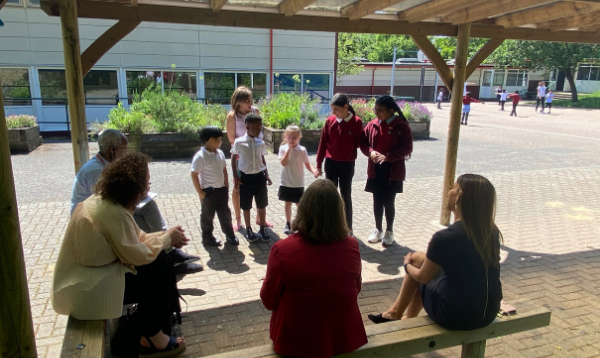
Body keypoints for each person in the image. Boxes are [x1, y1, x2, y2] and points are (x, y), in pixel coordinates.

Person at [53, 153, 189, 357]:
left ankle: (152, 334)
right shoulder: (113, 214)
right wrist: (167, 239)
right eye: (147, 182)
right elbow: (136, 255)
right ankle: (152, 337)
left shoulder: (104, 202)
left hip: (90, 279)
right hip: (85, 291)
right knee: (157, 272)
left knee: (159, 262)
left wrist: (166, 236)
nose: (148, 187)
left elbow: (137, 239)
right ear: (134, 186)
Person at [368, 174, 503, 333]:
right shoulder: (491, 231)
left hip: (455, 315)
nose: (448, 192)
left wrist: (406, 264)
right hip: (488, 310)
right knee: (420, 258)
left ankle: (397, 315)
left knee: (415, 263)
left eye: (452, 188)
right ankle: (398, 315)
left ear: (459, 197)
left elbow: (423, 277)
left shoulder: (445, 237)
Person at [260, 180, 367, 358]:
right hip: (342, 337)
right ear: (339, 211)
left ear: (303, 209)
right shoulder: (352, 245)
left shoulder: (282, 250)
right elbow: (355, 289)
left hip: (296, 342)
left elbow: (268, 300)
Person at [71, 129, 201, 275]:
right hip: (93, 225)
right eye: (124, 149)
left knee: (148, 206)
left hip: (101, 216)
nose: (125, 154)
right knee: (144, 223)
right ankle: (166, 256)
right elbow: (114, 204)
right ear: (112, 150)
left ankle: (168, 252)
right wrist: (166, 238)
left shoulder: (106, 166)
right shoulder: (97, 171)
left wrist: (167, 237)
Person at [360, 96, 413, 246]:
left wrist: (389, 157)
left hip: (392, 171)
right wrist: (370, 152)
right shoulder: (372, 125)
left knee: (388, 202)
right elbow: (363, 143)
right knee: (377, 201)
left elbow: (407, 148)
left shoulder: (401, 126)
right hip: (375, 170)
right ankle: (378, 229)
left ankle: (389, 231)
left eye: (380, 110)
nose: (377, 113)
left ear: (391, 111)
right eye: (375, 110)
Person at [226, 86, 273, 231]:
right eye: (247, 101)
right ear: (238, 102)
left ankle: (260, 218)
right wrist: (246, 146)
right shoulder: (232, 116)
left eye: (251, 100)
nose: (250, 104)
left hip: (257, 155)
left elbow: (260, 131)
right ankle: (238, 218)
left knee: (259, 187)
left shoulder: (255, 112)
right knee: (238, 188)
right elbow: (231, 139)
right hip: (241, 158)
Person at [315, 93, 363, 234]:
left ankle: (348, 228)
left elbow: (359, 143)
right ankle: (330, 226)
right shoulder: (330, 121)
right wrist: (318, 165)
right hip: (330, 164)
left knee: (345, 196)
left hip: (347, 165)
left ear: (346, 107)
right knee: (330, 196)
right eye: (332, 110)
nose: (333, 113)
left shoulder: (357, 122)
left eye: (336, 109)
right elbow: (322, 144)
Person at [191, 126, 239, 247]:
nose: (221, 142)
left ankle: (230, 235)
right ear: (212, 139)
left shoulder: (220, 153)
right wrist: (200, 192)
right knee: (207, 216)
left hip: (221, 191)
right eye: (219, 139)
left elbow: (224, 170)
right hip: (209, 193)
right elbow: (194, 174)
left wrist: (226, 186)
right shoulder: (200, 156)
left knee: (225, 215)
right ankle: (208, 238)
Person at [231, 113, 273, 243]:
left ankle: (262, 228)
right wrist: (236, 176)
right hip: (246, 178)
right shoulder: (239, 142)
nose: (258, 131)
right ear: (247, 127)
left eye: (260, 128)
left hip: (260, 178)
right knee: (246, 204)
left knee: (262, 203)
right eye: (255, 128)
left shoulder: (260, 143)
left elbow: (262, 159)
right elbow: (233, 159)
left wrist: (267, 175)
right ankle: (248, 228)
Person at [278, 125, 318, 235]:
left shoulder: (302, 150)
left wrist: (314, 171)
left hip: (298, 183)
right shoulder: (283, 148)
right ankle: (288, 223)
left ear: (299, 137)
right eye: (290, 136)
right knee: (288, 203)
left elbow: (307, 164)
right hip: (286, 181)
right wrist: (289, 149)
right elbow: (283, 163)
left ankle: (302, 222)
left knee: (299, 204)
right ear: (286, 137)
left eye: (295, 137)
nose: (292, 139)